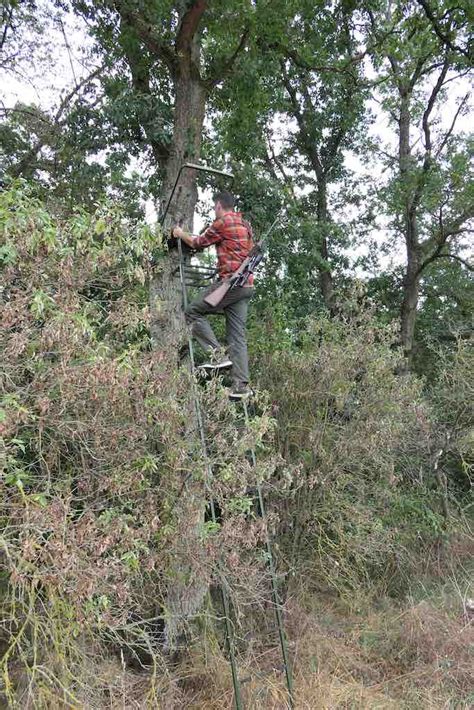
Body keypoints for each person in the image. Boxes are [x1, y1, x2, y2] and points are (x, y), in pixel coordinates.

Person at [172, 191, 254, 400]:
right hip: (245, 286)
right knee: (237, 337)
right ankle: (241, 386)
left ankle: (218, 356)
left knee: (192, 312)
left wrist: (179, 233)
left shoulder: (223, 222)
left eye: (214, 208)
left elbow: (198, 242)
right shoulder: (245, 225)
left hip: (230, 284)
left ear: (219, 205)